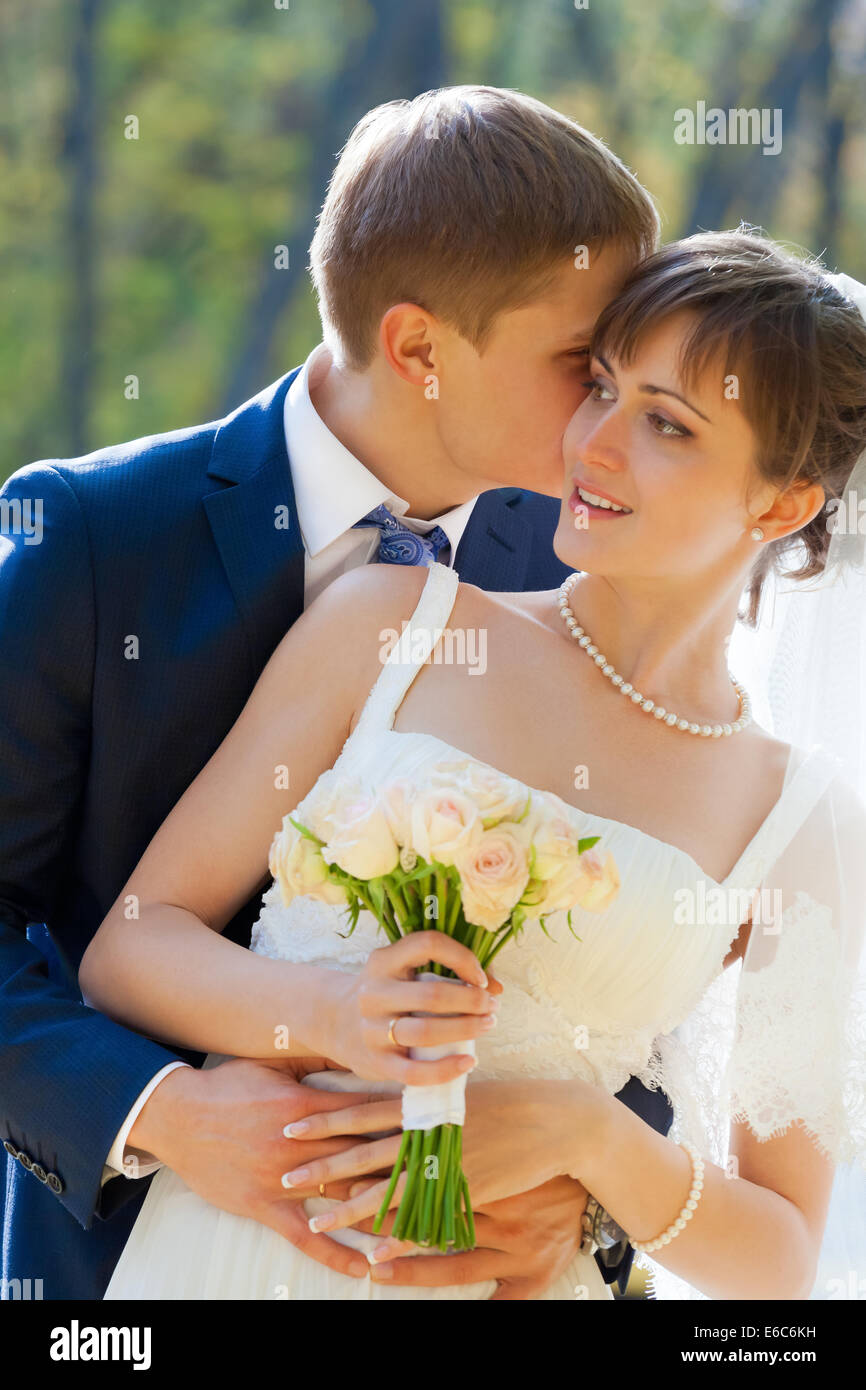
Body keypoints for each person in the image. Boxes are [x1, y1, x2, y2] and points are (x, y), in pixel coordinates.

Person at [84, 229, 866, 1299]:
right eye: (599, 387)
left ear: (778, 505)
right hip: (233, 1261)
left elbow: (778, 1260)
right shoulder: (393, 624)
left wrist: (591, 1142)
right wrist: (325, 1009)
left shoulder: (796, 816)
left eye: (666, 425)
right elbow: (129, 951)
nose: (593, 442)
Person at [0, 85, 668, 1301]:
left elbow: (645, 935)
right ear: (417, 348)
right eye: (583, 361)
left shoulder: (589, 572)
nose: (612, 406)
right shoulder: (91, 540)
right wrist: (160, 1112)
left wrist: (591, 1202)